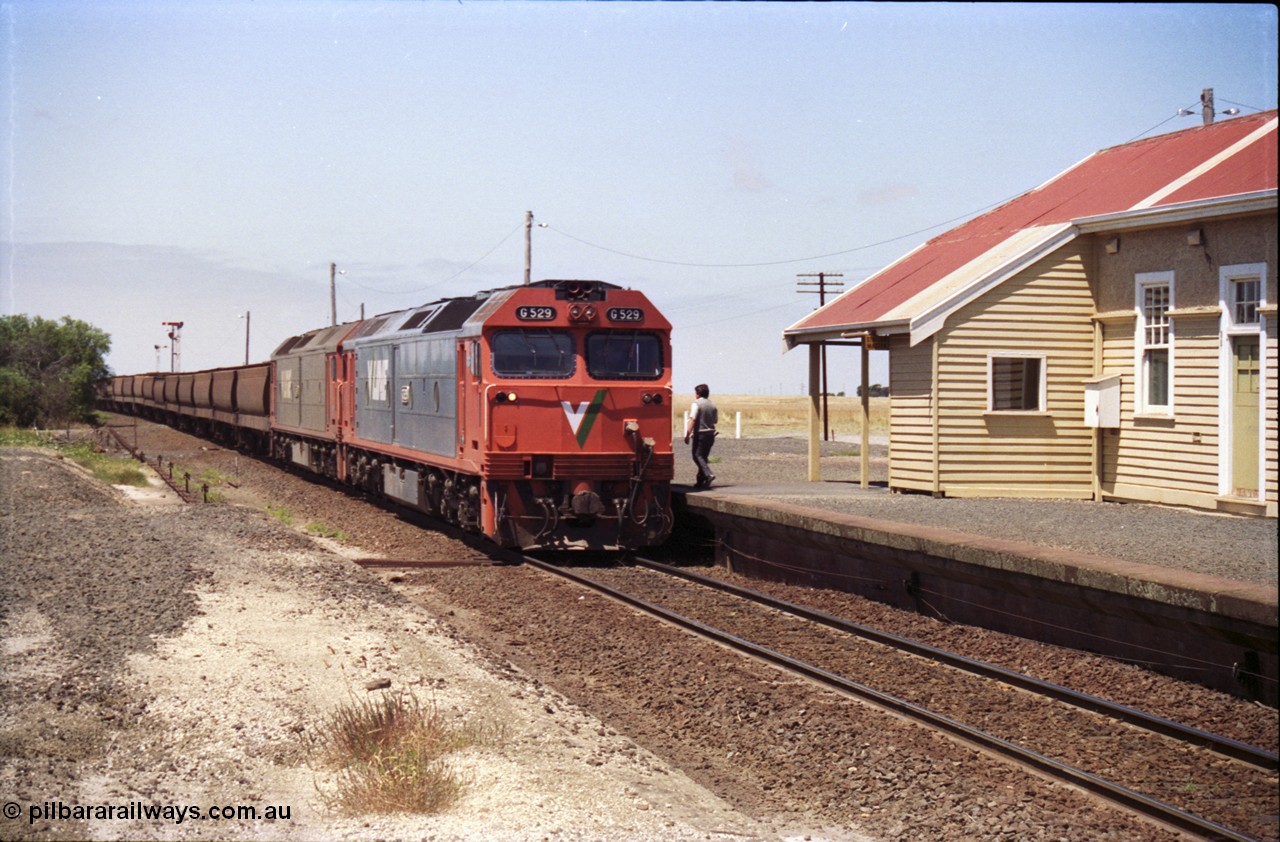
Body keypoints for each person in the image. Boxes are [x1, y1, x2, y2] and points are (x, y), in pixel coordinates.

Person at [683, 384, 718, 489]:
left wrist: (687, 434)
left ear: (698, 394)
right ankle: (700, 481)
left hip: (700, 433)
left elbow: (693, 419)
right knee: (703, 457)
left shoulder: (696, 404)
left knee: (697, 456)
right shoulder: (713, 405)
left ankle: (708, 474)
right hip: (711, 434)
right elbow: (715, 421)